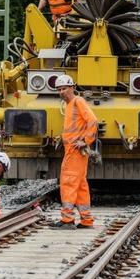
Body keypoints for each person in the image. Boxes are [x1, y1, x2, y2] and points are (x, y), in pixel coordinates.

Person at [50, 74, 98, 230]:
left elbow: (93, 121)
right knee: (80, 185)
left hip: (75, 151)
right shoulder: (70, 104)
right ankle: (86, 220)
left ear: (72, 88)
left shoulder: (78, 101)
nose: (62, 92)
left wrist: (85, 141)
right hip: (74, 150)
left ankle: (67, 219)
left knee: (68, 182)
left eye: (64, 88)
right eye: (59, 90)